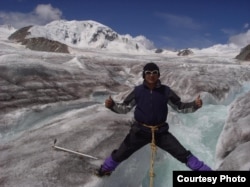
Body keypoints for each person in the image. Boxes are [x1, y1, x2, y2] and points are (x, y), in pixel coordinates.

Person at [96, 62, 212, 177]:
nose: (151, 75)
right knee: (121, 153)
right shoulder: (138, 91)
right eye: (148, 73)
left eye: (154, 72)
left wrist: (195, 105)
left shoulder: (166, 91)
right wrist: (112, 105)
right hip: (139, 131)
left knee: (182, 154)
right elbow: (125, 108)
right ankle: (106, 168)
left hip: (160, 132)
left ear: (158, 75)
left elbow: (179, 107)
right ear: (144, 75)